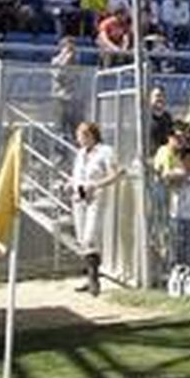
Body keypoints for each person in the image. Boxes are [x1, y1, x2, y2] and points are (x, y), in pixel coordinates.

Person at [70, 122, 121, 296]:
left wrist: (96, 185)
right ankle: (89, 276)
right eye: (79, 135)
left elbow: (117, 173)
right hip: (79, 198)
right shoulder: (80, 154)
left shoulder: (105, 151)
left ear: (93, 135)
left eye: (84, 134)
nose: (81, 138)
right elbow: (77, 177)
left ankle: (94, 279)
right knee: (82, 240)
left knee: (91, 236)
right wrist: (70, 186)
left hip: (97, 197)